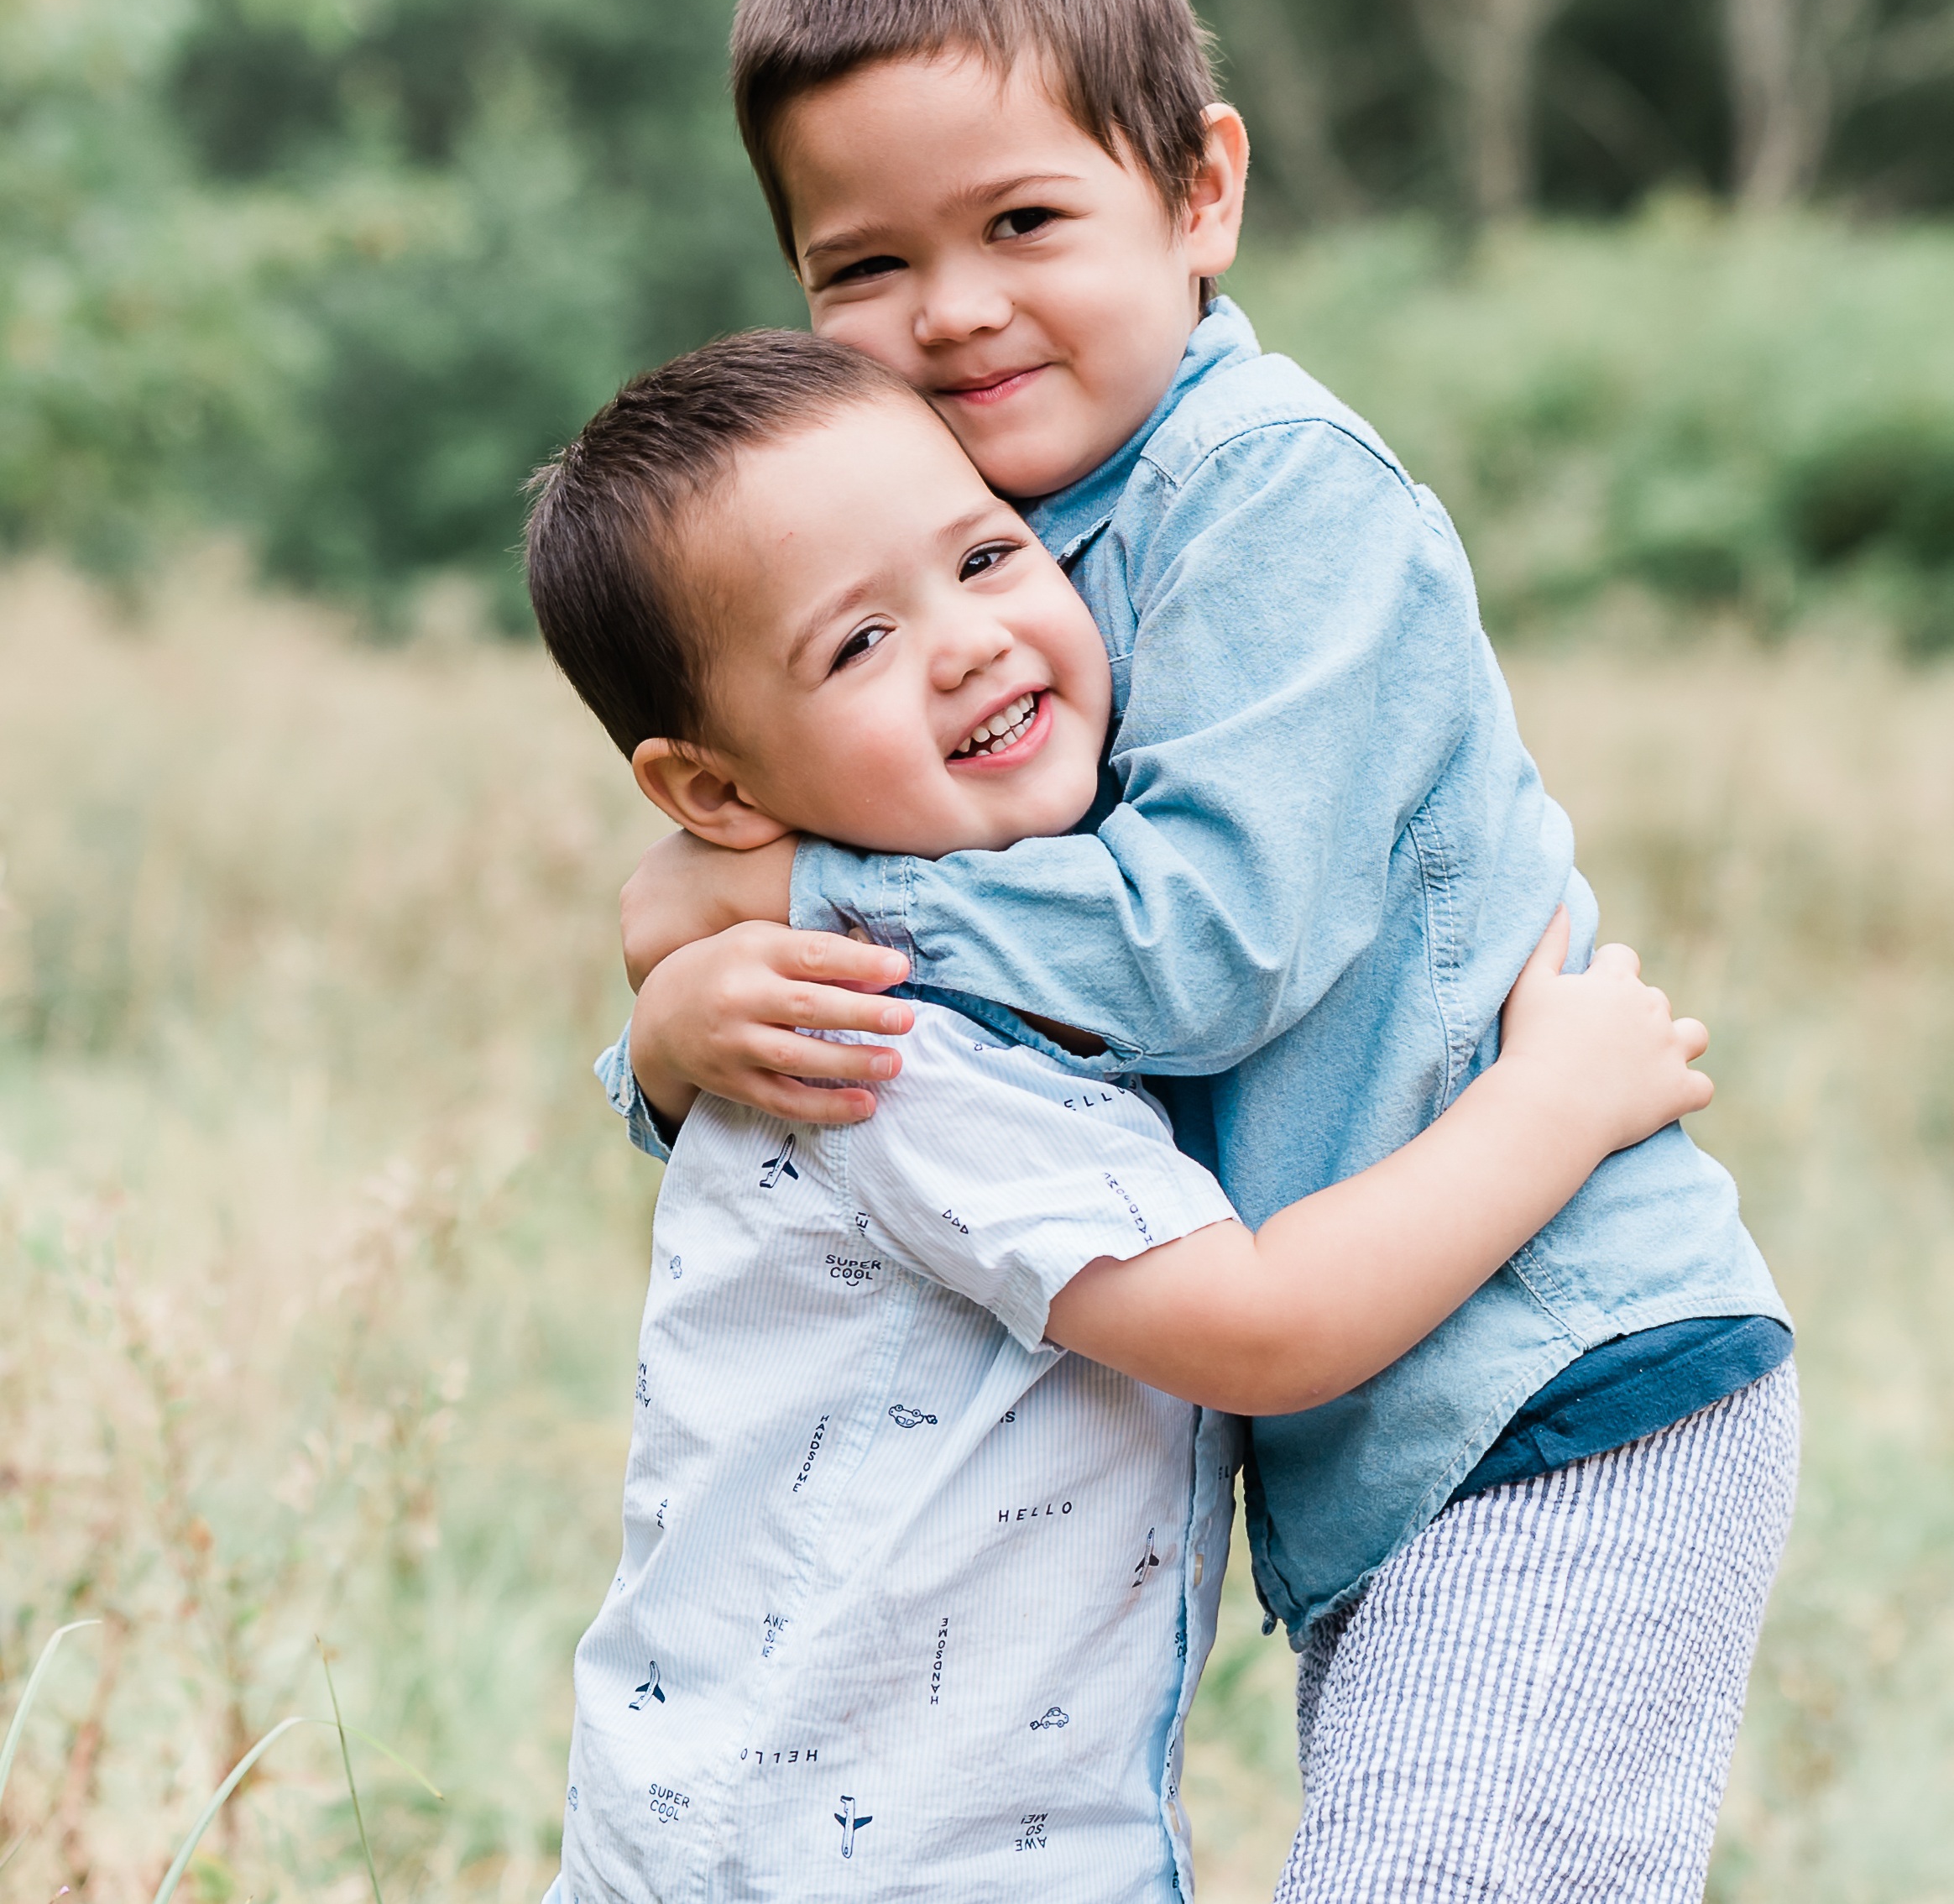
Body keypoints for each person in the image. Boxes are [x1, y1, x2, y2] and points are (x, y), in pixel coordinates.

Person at [609, 0, 1799, 1901]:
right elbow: (864, 1009)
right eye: (863, 268)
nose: (952, 312)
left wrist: (806, 906)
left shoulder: (1276, 503)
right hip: (1385, 1429)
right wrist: (676, 1030)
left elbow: (1196, 948)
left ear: (1200, 193)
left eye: (1023, 221)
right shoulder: (966, 557)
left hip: (1557, 1380)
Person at [523, 329, 1715, 1903]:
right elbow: (1266, 1328)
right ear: (716, 794)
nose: (963, 641)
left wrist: (673, 1030)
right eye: (858, 643)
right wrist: (1551, 1105)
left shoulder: (913, 984)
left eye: (990, 554)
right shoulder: (895, 1047)